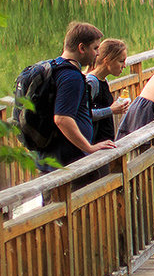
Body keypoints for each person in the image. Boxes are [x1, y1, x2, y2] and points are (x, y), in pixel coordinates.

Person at [38, 21, 116, 171]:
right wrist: (89, 148)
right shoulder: (71, 77)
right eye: (95, 48)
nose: (98, 54)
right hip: (69, 163)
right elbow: (62, 119)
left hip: (52, 159)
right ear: (81, 48)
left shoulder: (55, 67)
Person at [86, 38, 129, 145]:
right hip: (94, 146)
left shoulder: (104, 80)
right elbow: (84, 114)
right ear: (107, 60)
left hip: (105, 143)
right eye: (121, 61)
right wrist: (111, 110)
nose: (124, 65)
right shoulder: (92, 82)